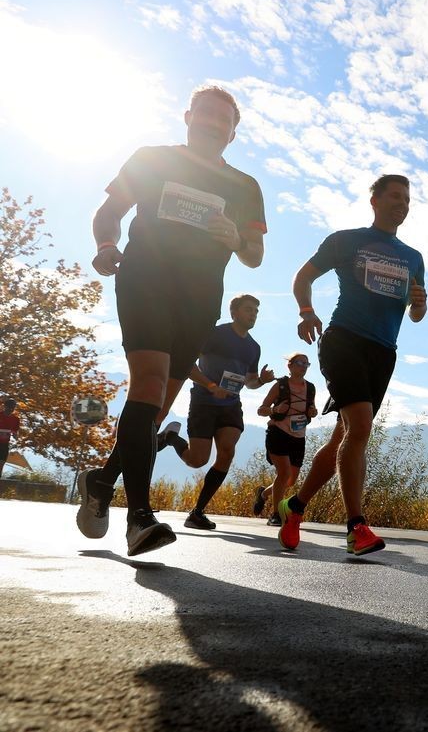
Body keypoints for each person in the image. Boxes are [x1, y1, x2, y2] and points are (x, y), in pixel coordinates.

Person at [75, 85, 266, 556]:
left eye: (223, 120)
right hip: (146, 279)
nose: (213, 124)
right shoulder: (152, 158)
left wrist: (238, 238)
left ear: (233, 132)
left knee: (158, 405)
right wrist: (104, 246)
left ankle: (100, 482)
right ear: (188, 116)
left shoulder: (245, 187)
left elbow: (256, 256)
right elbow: (109, 212)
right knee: (148, 384)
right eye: (205, 115)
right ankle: (139, 518)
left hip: (201, 301)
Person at [277, 174, 426, 556]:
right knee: (360, 427)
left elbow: (415, 314)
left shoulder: (413, 258)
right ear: (374, 200)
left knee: (345, 435)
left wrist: (420, 304)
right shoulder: (345, 240)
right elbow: (303, 276)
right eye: (394, 196)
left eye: (407, 199)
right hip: (344, 339)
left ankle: (294, 508)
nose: (402, 204)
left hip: (383, 352)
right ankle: (355, 527)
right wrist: (306, 311)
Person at [157, 295, 274, 530]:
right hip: (203, 402)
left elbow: (249, 381)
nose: (253, 314)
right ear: (234, 313)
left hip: (231, 404)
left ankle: (197, 512)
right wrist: (210, 386)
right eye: (248, 310)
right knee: (197, 460)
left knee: (227, 451)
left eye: (256, 311)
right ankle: (171, 438)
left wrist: (261, 380)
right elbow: (187, 363)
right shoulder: (215, 334)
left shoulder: (253, 347)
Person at [252, 352, 318, 526]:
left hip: (299, 436)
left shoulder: (310, 388)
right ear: (289, 365)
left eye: (306, 364)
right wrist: (274, 411)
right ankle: (276, 514)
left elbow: (312, 408)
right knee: (284, 473)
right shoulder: (280, 386)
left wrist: (313, 412)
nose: (303, 366)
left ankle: (264, 494)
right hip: (278, 432)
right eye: (299, 363)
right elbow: (261, 409)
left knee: (290, 480)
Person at [0, 398, 20, 470]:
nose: (11, 409)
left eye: (13, 407)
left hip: (5, 445)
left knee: (1, 463)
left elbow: (15, 432)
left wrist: (16, 437)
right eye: (10, 407)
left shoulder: (16, 419)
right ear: (5, 406)